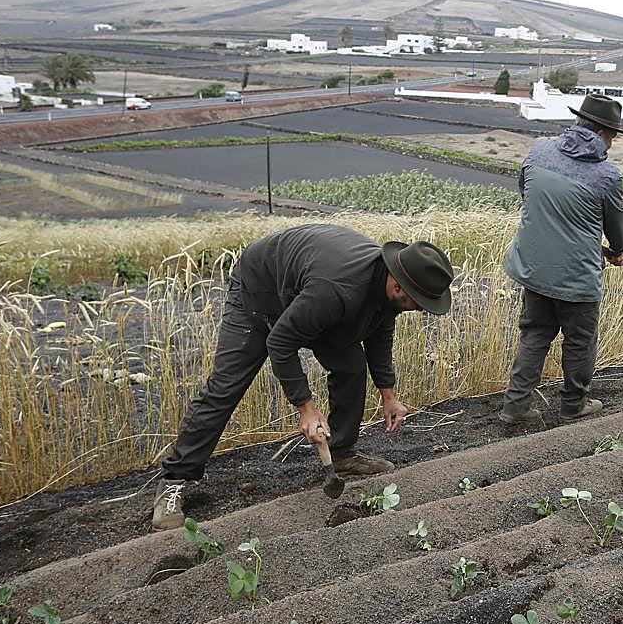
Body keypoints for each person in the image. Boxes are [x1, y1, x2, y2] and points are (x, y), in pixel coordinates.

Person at [152, 223, 454, 530]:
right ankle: (175, 480)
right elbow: (280, 342)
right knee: (226, 387)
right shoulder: (336, 288)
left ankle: (341, 453)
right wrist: (306, 409)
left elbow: (379, 336)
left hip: (306, 294)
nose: (421, 310)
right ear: (398, 287)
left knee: (351, 365)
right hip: (259, 292)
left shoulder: (386, 287)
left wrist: (388, 395)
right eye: (420, 303)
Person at [499, 93, 623, 424]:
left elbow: (526, 193)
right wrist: (617, 252)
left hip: (534, 267)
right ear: (601, 133)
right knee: (580, 342)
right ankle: (574, 405)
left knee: (535, 334)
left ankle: (515, 407)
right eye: (612, 137)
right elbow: (615, 228)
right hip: (576, 277)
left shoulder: (539, 150)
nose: (611, 144)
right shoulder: (607, 176)